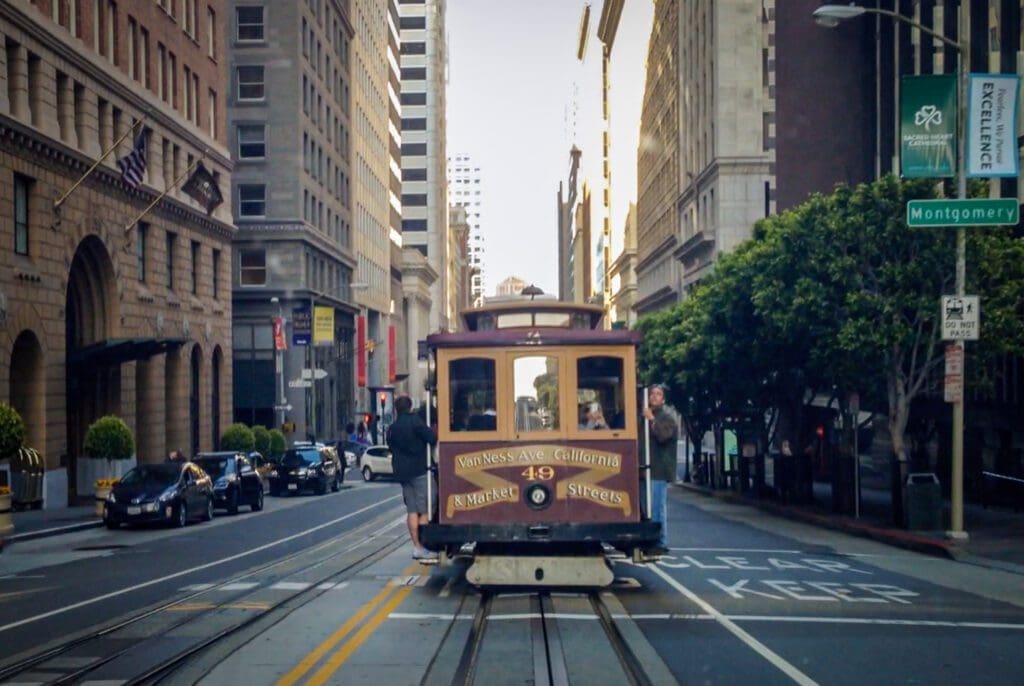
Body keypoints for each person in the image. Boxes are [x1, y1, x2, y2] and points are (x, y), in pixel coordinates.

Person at [388, 394, 438, 561]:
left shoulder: (392, 428)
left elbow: (391, 447)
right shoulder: (415, 421)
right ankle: (424, 546)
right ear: (410, 407)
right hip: (419, 470)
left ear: (396, 409)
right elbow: (431, 438)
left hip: (402, 473)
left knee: (412, 510)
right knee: (425, 508)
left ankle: (416, 546)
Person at [640, 384, 678, 555]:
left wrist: (651, 420)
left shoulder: (667, 416)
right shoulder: (645, 415)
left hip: (658, 469)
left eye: (658, 394)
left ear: (663, 398)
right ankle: (649, 539)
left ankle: (660, 541)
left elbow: (663, 436)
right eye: (652, 394)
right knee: (646, 506)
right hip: (644, 469)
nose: (654, 397)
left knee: (657, 507)